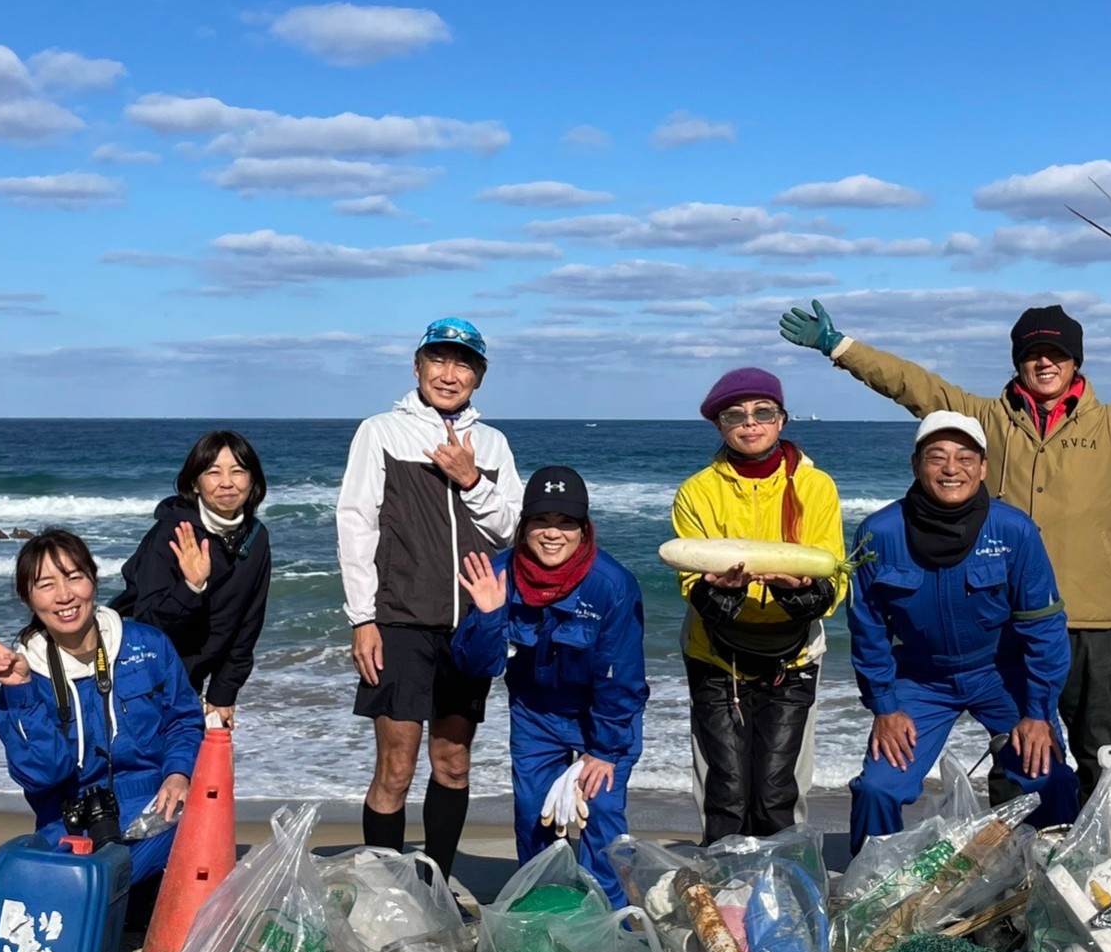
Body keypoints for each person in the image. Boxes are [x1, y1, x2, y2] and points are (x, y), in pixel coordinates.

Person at [780, 262, 1111, 797]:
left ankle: (1098, 856)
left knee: (1096, 746)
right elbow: (910, 384)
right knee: (1017, 751)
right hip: (1005, 618)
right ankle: (1014, 855)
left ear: (1074, 361)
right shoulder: (983, 419)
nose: (1044, 362)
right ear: (1018, 362)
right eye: (1033, 353)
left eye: (1056, 353)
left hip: (1088, 614)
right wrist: (840, 346)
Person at [845, 412, 1080, 853]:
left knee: (1050, 776)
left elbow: (1044, 628)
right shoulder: (878, 533)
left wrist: (1038, 711)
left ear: (983, 468)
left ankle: (1066, 878)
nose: (951, 468)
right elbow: (867, 628)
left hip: (999, 672)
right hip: (920, 678)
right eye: (937, 457)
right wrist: (884, 705)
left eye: (965, 457)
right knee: (878, 787)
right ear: (916, 465)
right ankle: (867, 894)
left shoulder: (1014, 531)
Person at [337, 317, 521, 878]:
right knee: (395, 766)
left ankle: (437, 880)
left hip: (469, 625)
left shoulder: (492, 444)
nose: (449, 373)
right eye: (438, 359)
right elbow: (355, 523)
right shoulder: (382, 431)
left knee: (453, 763)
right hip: (399, 621)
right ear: (417, 366)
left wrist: (473, 480)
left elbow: (513, 528)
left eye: (463, 362)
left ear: (480, 377)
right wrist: (362, 618)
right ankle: (388, 884)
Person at [0, 528, 205, 888]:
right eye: (45, 585)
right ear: (27, 598)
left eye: (75, 577)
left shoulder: (147, 645)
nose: (64, 595)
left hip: (151, 805)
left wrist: (178, 774)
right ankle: (105, 889)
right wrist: (23, 693)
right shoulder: (22, 675)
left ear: (93, 578)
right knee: (35, 876)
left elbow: (184, 721)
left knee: (196, 822)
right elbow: (43, 775)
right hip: (69, 822)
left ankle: (105, 889)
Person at [449, 466, 648, 905]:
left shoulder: (612, 585)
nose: (552, 533)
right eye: (541, 521)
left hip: (603, 718)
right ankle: (543, 910)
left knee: (601, 816)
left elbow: (623, 678)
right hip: (536, 713)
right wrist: (487, 615)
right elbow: (476, 667)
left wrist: (605, 751)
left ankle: (610, 919)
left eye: (565, 523)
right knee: (533, 815)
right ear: (524, 526)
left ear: (584, 529)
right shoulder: (498, 574)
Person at [670, 367, 845, 844]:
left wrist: (795, 591)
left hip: (794, 658)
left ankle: (786, 895)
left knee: (776, 794)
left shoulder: (815, 487)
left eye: (762, 412)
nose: (750, 423)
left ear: (781, 419)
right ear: (719, 426)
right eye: (735, 415)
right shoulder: (697, 492)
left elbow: (832, 581)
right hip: (715, 656)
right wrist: (722, 592)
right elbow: (693, 586)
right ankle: (726, 895)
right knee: (725, 793)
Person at [116, 429, 272, 729]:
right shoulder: (171, 534)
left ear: (252, 481)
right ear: (195, 483)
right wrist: (192, 587)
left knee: (198, 772)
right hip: (135, 679)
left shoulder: (255, 538)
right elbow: (149, 625)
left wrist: (224, 692)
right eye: (213, 472)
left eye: (238, 471)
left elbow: (247, 625)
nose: (227, 482)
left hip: (190, 685)